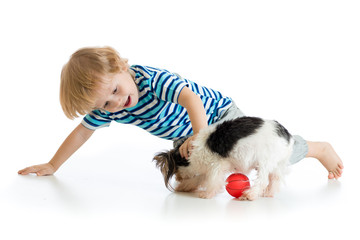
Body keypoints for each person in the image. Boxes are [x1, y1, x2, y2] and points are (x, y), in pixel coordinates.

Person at [18, 46, 344, 179]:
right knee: (184, 172)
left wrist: (200, 137)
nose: (115, 104)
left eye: (116, 91)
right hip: (188, 135)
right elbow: (81, 131)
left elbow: (191, 100)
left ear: (122, 67)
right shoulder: (111, 110)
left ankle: (316, 149)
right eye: (105, 104)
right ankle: (227, 171)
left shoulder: (151, 79)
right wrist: (52, 164)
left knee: (262, 156)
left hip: (218, 117)